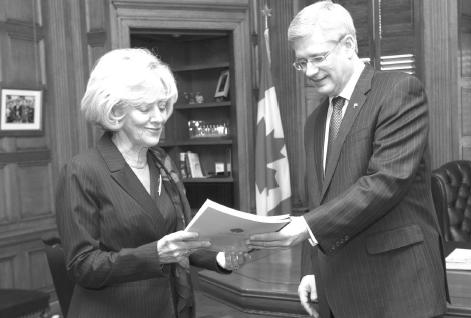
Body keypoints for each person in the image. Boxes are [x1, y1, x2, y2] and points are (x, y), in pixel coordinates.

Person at [248, 2, 449, 318]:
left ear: (349, 45)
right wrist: (311, 269)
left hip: (398, 290)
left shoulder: (398, 91)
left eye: (317, 58)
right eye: (302, 63)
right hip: (336, 291)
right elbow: (318, 202)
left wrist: (305, 228)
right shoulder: (315, 120)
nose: (310, 71)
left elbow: (385, 182)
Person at [56, 48, 247, 318]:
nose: (158, 118)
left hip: (168, 307)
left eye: (162, 106)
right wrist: (154, 254)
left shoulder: (161, 162)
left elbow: (178, 239)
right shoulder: (81, 170)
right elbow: (82, 266)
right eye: (145, 108)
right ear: (114, 111)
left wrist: (218, 258)